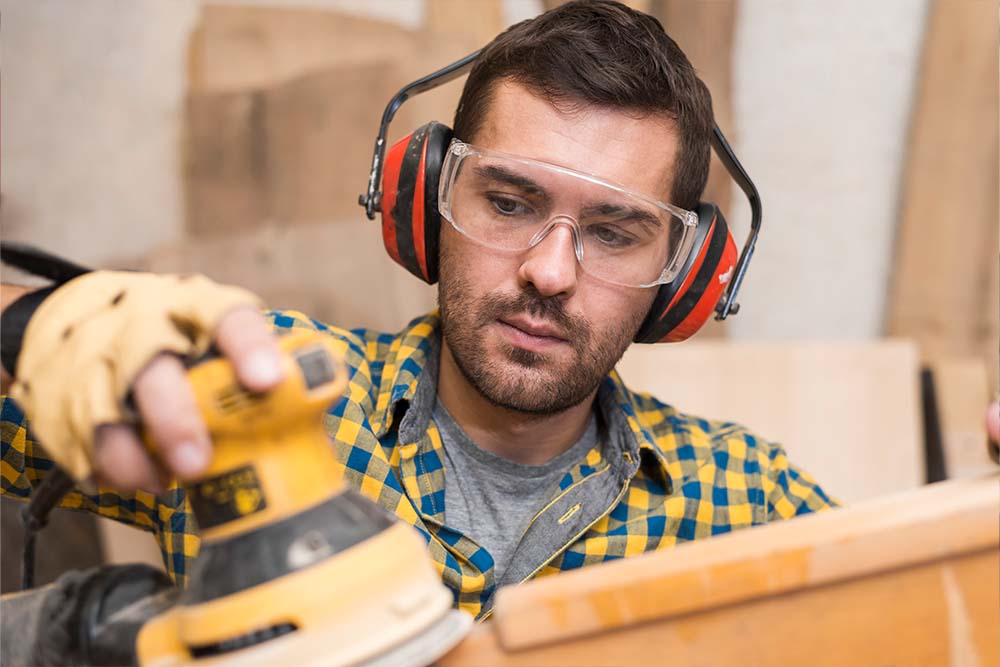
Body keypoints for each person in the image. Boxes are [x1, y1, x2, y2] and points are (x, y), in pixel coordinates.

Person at [0, 0, 835, 620]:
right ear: (423, 198)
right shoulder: (253, 392)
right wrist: (37, 330)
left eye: (615, 232)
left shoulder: (747, 499)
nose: (549, 271)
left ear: (683, 274)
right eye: (509, 203)